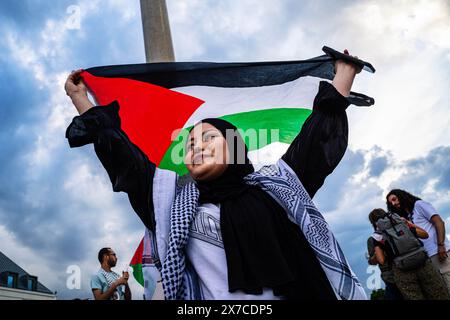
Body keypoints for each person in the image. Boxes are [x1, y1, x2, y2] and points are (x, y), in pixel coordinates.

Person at [65, 50, 366, 300]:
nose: (195, 147)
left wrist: (344, 72)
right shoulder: (166, 201)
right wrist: (81, 97)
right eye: (189, 143)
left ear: (234, 146)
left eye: (208, 138)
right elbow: (122, 157)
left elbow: (318, 138)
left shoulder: (277, 188)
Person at [368, 209, 449, 300]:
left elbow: (381, 260)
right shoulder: (401, 224)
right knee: (438, 293)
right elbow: (425, 235)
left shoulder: (376, 237)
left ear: (373, 222)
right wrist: (408, 223)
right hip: (423, 263)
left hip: (403, 270)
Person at [387, 189, 450, 293]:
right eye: (391, 203)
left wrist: (441, 245)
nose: (393, 204)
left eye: (394, 199)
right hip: (427, 257)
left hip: (440, 251)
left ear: (402, 196)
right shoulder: (407, 216)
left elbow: (439, 222)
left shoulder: (419, 205)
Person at [367, 216, 403, 300]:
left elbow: (377, 261)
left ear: (374, 223)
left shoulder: (372, 239)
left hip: (390, 276)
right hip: (406, 267)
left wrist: (378, 251)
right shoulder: (399, 229)